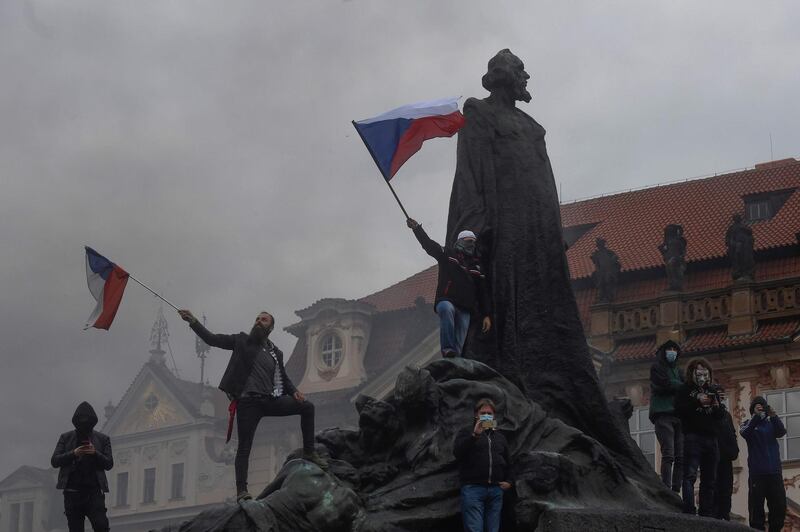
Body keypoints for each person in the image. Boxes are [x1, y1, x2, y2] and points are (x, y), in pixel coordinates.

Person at [179, 309, 327, 501]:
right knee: (244, 447)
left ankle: (309, 453)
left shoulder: (276, 353)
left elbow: (283, 377)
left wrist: (294, 392)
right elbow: (212, 339)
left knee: (307, 407)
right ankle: (242, 491)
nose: (258, 321)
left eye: (263, 320)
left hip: (270, 400)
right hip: (248, 403)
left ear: (270, 327)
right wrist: (193, 322)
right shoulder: (241, 341)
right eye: (257, 318)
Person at [407, 218, 491, 357]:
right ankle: (447, 350)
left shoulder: (476, 266)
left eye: (474, 243)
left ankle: (454, 361)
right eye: (469, 242)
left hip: (465, 307)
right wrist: (417, 229)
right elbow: (429, 245)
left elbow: (482, 292)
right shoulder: (448, 254)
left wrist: (486, 314)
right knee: (447, 309)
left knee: (460, 338)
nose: (472, 245)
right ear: (461, 242)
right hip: (446, 299)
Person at [50, 402, 113, 532]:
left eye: (87, 419)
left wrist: (95, 453)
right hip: (72, 494)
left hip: (94, 493)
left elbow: (109, 464)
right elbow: (54, 461)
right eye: (81, 419)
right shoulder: (66, 437)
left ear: (92, 420)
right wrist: (74, 453)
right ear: (76, 420)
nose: (84, 422)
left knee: (102, 526)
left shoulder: (103, 439)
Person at [453, 398, 512, 532]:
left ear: (494, 416)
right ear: (476, 414)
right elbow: (457, 453)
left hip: (496, 490)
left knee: (493, 529)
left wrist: (509, 481)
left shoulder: (500, 437)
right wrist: (474, 435)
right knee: (475, 529)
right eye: (483, 412)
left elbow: (509, 461)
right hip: (473, 489)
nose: (486, 415)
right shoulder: (466, 432)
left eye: (489, 413)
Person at [675, 358, 724, 516]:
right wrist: (696, 401)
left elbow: (720, 416)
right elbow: (678, 410)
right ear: (692, 373)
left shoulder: (712, 390)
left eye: (705, 373)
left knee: (710, 479)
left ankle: (706, 512)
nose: (702, 376)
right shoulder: (684, 389)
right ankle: (689, 508)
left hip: (711, 438)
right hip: (693, 437)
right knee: (689, 475)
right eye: (699, 373)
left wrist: (717, 406)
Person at [740, 396, 787, 531]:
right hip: (757, 474)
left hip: (775, 472)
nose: (760, 408)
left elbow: (781, 432)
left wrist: (773, 415)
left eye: (762, 406)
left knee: (779, 506)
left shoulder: (771, 423)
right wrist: (756, 416)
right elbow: (745, 433)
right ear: (752, 410)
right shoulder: (747, 423)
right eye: (757, 406)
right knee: (756, 507)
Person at [649, 339, 684, 492]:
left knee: (680, 455)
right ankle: (667, 488)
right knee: (668, 453)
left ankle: (676, 488)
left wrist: (675, 385)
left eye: (674, 349)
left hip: (678, 415)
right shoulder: (656, 367)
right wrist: (678, 385)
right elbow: (663, 385)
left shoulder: (679, 370)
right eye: (669, 349)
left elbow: (679, 387)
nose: (672, 352)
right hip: (662, 414)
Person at [714, 402, 739, 520]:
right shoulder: (708, 413)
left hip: (726, 458)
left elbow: (732, 434)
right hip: (713, 458)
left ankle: (725, 514)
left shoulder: (726, 415)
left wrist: (734, 450)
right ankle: (716, 515)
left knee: (726, 489)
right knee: (714, 489)